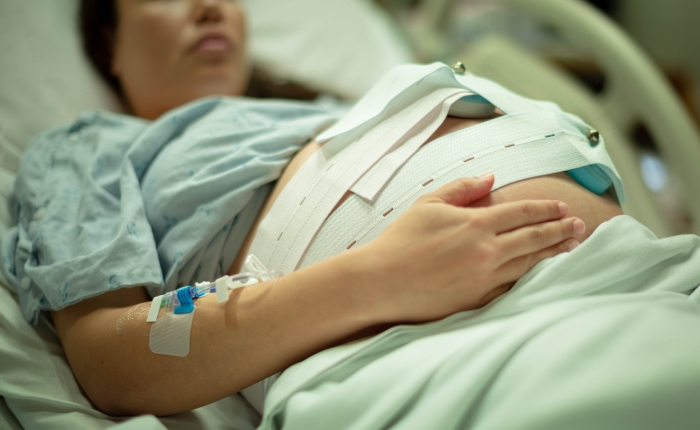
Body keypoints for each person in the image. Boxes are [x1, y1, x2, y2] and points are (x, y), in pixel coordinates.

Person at [0, 0, 620, 418]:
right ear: (109, 45)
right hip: (424, 355)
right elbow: (113, 359)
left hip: (621, 275)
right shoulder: (87, 150)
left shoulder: (327, 108)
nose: (210, 6)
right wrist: (380, 280)